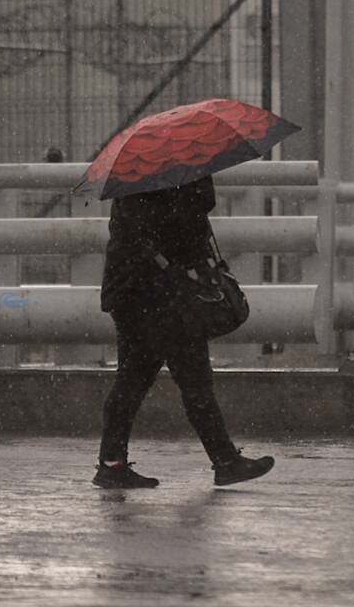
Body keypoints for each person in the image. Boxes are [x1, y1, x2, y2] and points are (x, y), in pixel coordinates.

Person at [93, 174, 275, 488]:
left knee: (133, 380)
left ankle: (112, 463)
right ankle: (225, 461)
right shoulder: (178, 178)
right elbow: (187, 227)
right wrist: (199, 184)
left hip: (132, 293)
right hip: (165, 297)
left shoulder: (133, 177)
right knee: (194, 381)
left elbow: (151, 230)